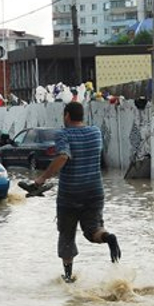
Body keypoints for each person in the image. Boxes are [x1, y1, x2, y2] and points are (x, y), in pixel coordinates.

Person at [34, 102, 121, 283]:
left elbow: (63, 156)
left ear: (66, 115)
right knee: (93, 230)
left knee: (67, 235)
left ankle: (67, 277)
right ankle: (109, 238)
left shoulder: (63, 134)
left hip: (70, 195)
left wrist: (42, 178)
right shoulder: (95, 132)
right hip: (94, 192)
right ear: (81, 116)